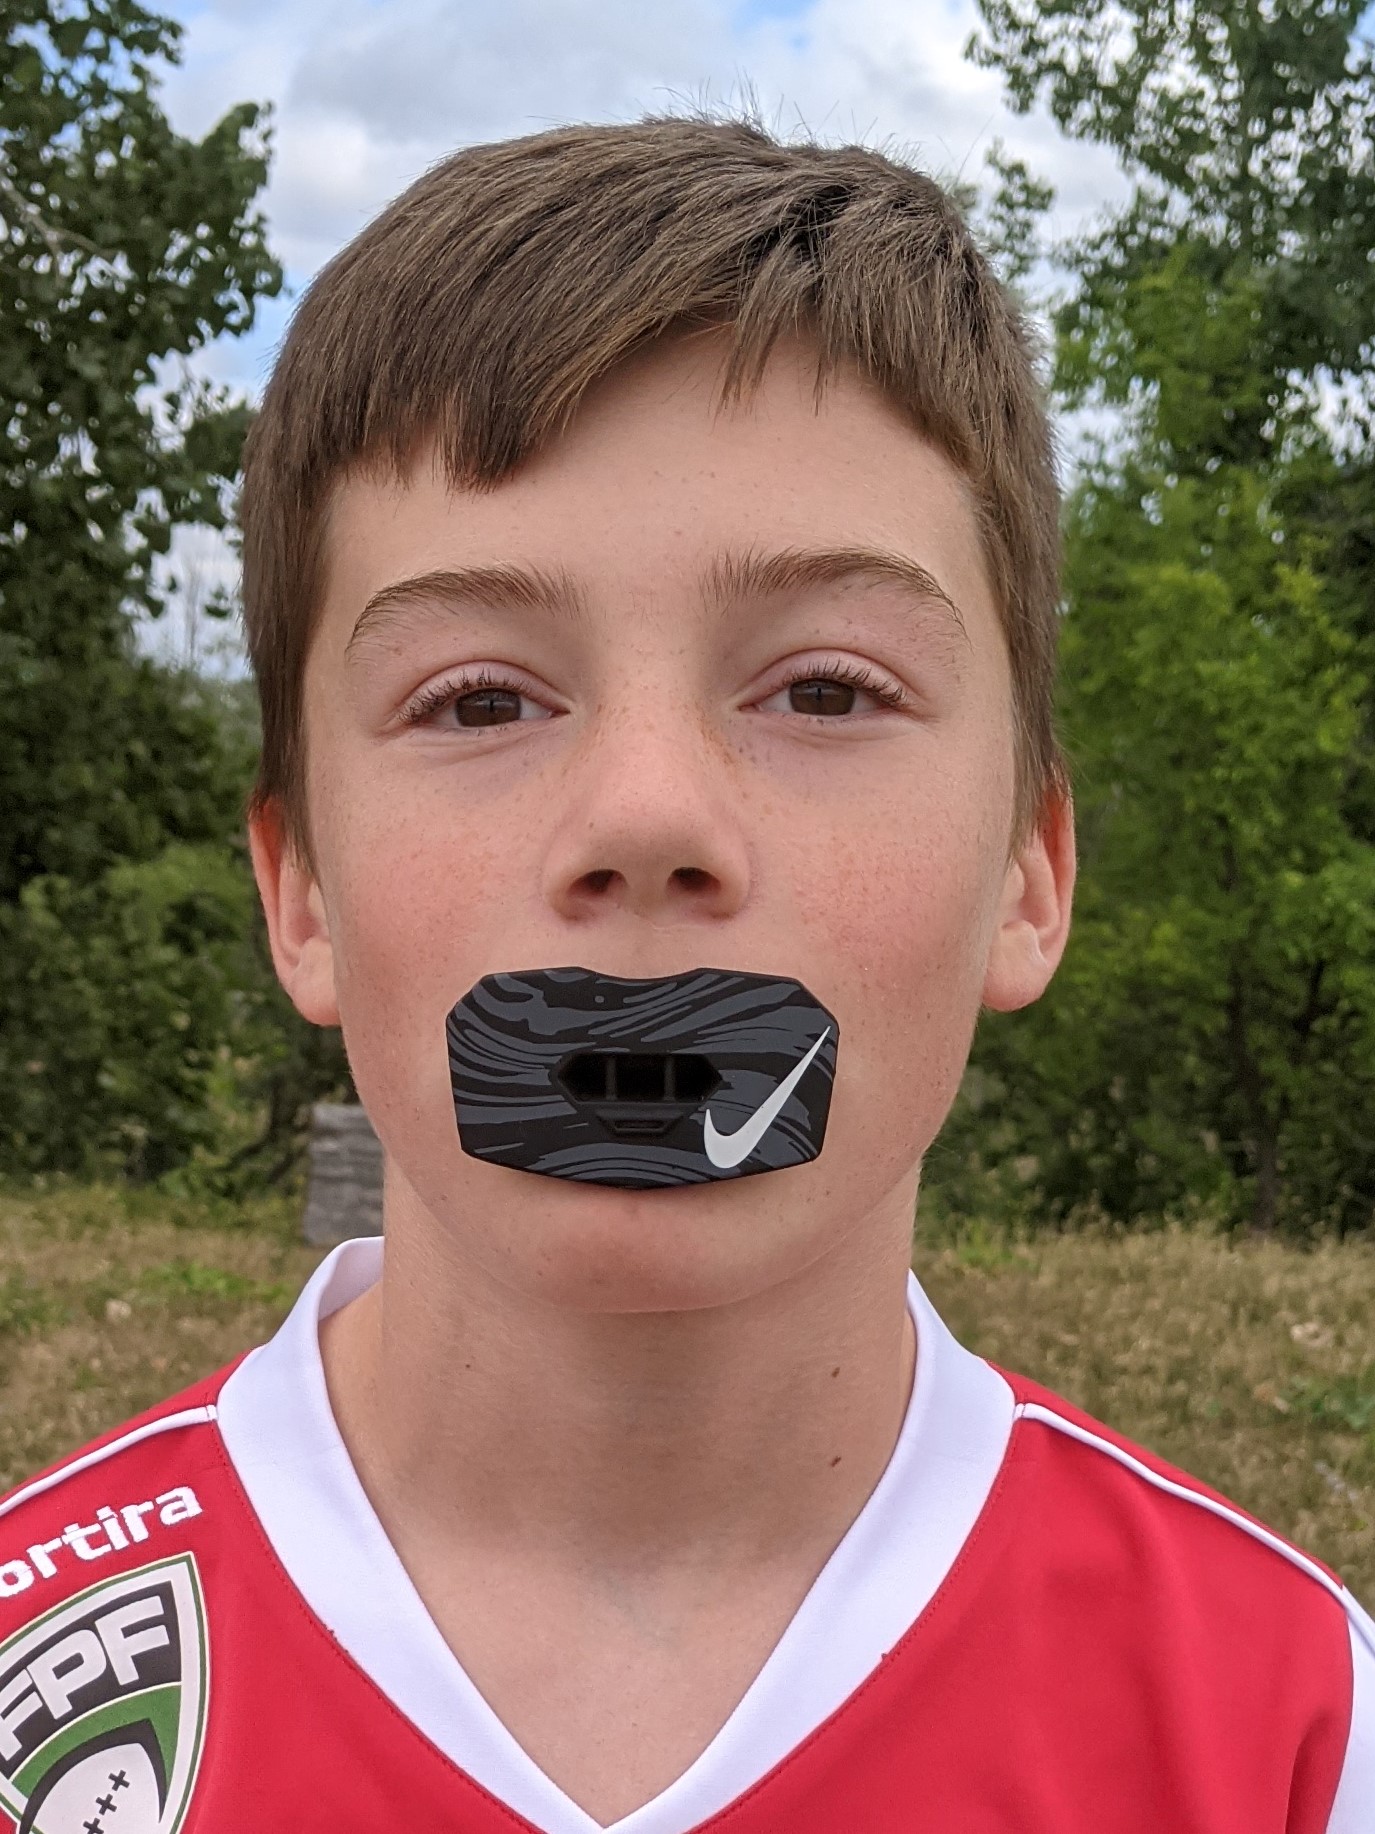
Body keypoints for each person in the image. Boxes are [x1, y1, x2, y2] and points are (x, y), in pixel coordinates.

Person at [0, 116, 1369, 1834]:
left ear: (1029, 872)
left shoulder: (1294, 1731)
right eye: (480, 699)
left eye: (826, 690)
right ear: (302, 895)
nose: (646, 818)